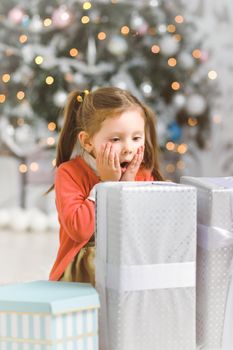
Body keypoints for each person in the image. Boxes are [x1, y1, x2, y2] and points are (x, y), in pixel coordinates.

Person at [49, 87, 164, 285]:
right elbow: (80, 231)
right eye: (116, 139)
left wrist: (127, 187)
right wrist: (107, 184)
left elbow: (144, 232)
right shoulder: (68, 173)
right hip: (83, 275)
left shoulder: (143, 173)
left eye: (136, 138)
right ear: (87, 142)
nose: (128, 148)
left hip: (128, 271)